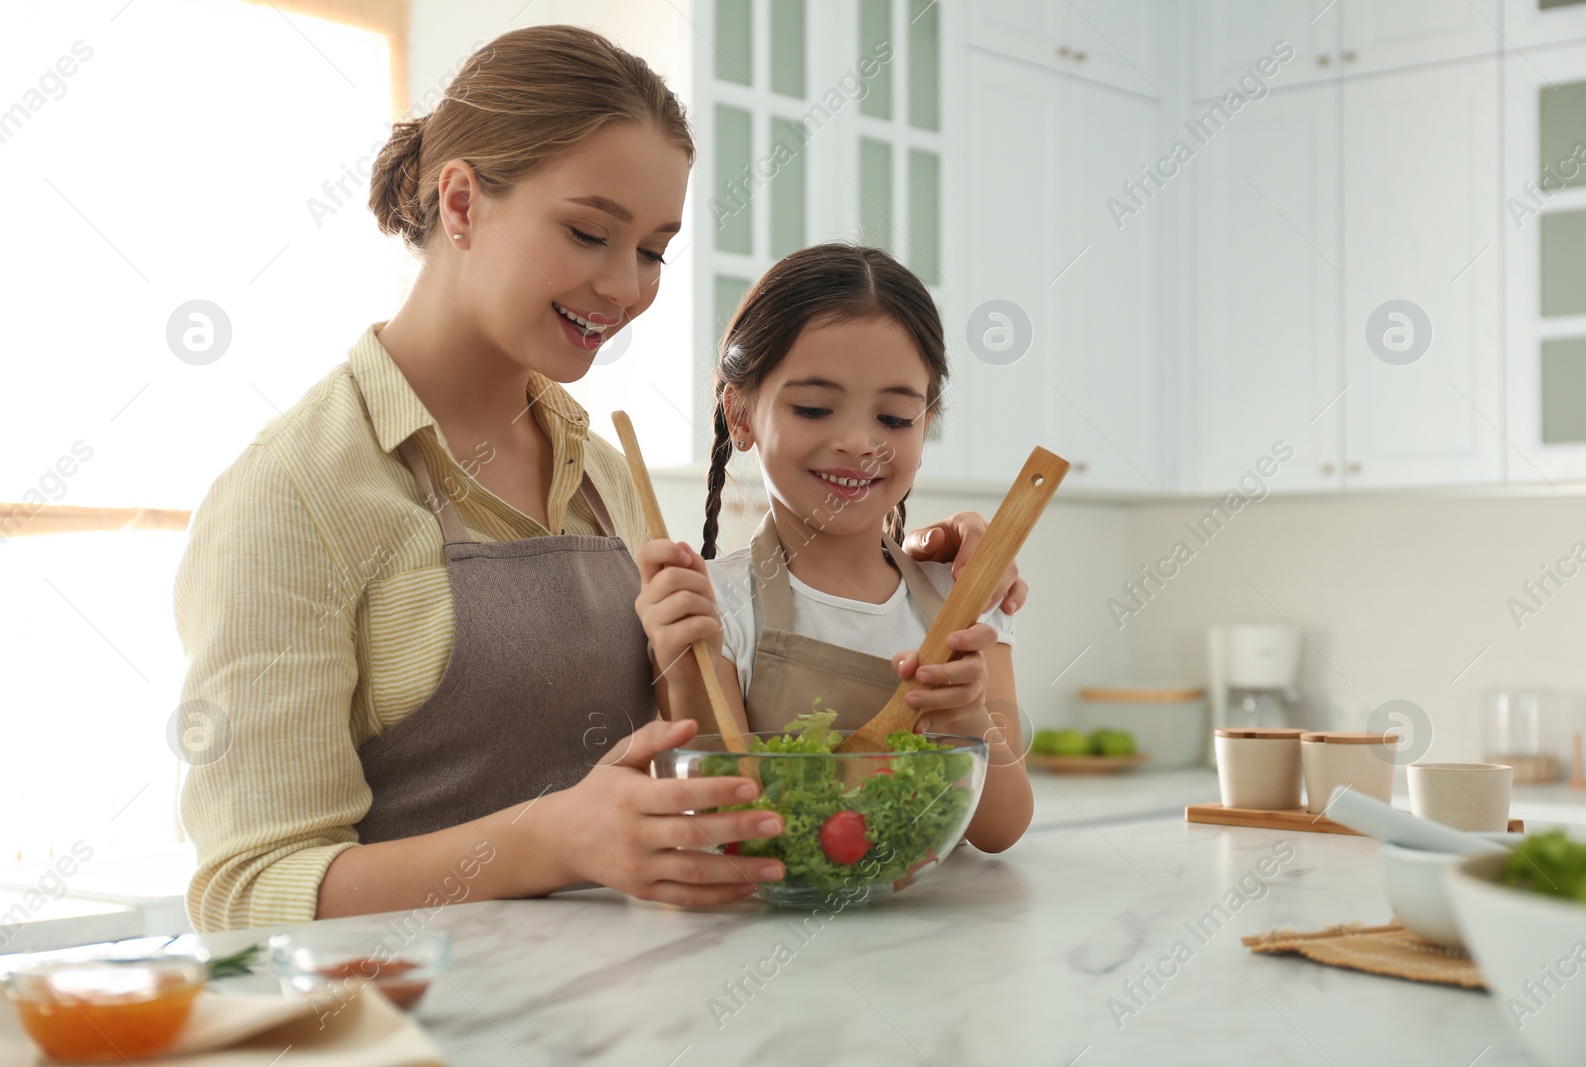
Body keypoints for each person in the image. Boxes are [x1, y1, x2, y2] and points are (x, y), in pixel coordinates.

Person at [175, 26, 1028, 932]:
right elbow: (245, 894)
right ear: (460, 202)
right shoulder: (296, 496)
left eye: (655, 250)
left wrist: (943, 565)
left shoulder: (610, 482)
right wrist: (553, 839)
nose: (625, 288)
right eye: (590, 233)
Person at [635, 244, 1033, 852]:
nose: (857, 441)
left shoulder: (963, 597)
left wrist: (967, 719)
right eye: (815, 408)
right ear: (740, 414)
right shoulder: (713, 606)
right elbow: (725, 827)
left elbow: (1001, 830)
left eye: (896, 419)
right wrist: (683, 663)